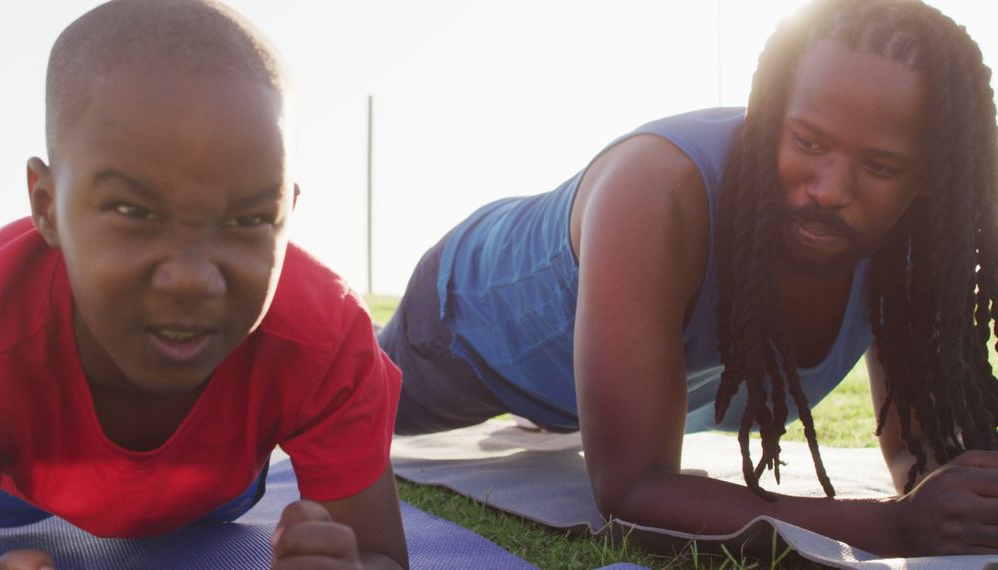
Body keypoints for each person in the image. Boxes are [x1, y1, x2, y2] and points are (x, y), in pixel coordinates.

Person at [379, 0, 998, 557]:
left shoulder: (912, 256)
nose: (832, 189)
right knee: (347, 405)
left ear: (928, 173)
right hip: (468, 323)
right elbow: (632, 490)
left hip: (574, 386)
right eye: (807, 141)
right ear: (770, 115)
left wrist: (959, 499)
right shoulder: (654, 191)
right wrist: (892, 527)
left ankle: (562, 416)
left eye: (880, 165)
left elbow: (927, 460)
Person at [0, 1, 407, 569]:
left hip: (215, 489)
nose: (192, 279)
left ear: (287, 213)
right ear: (47, 207)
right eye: (133, 210)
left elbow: (379, 557)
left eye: (249, 219)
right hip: (11, 485)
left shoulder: (326, 341)